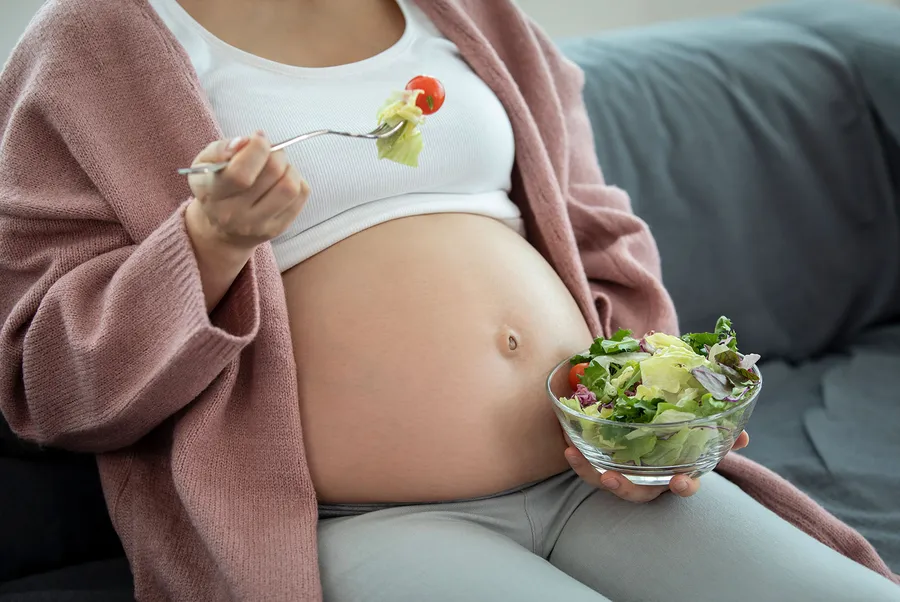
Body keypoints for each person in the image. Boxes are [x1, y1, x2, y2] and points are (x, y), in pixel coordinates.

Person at [0, 0, 897, 600]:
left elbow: (597, 235)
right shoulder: (94, 40)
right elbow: (51, 381)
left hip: (596, 479)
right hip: (364, 523)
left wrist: (651, 416)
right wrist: (210, 242)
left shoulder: (470, 13)